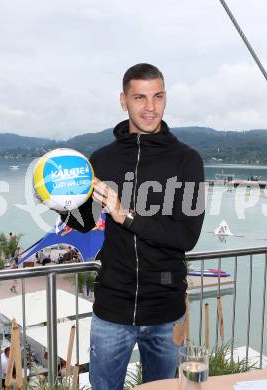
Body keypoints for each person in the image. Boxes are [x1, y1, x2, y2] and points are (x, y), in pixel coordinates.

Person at [59, 63, 205, 390]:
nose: (150, 107)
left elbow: (186, 235)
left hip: (166, 310)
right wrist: (62, 202)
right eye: (139, 97)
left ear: (166, 99)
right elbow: (83, 222)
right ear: (123, 100)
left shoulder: (187, 160)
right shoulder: (102, 158)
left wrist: (126, 215)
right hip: (112, 308)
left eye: (158, 96)